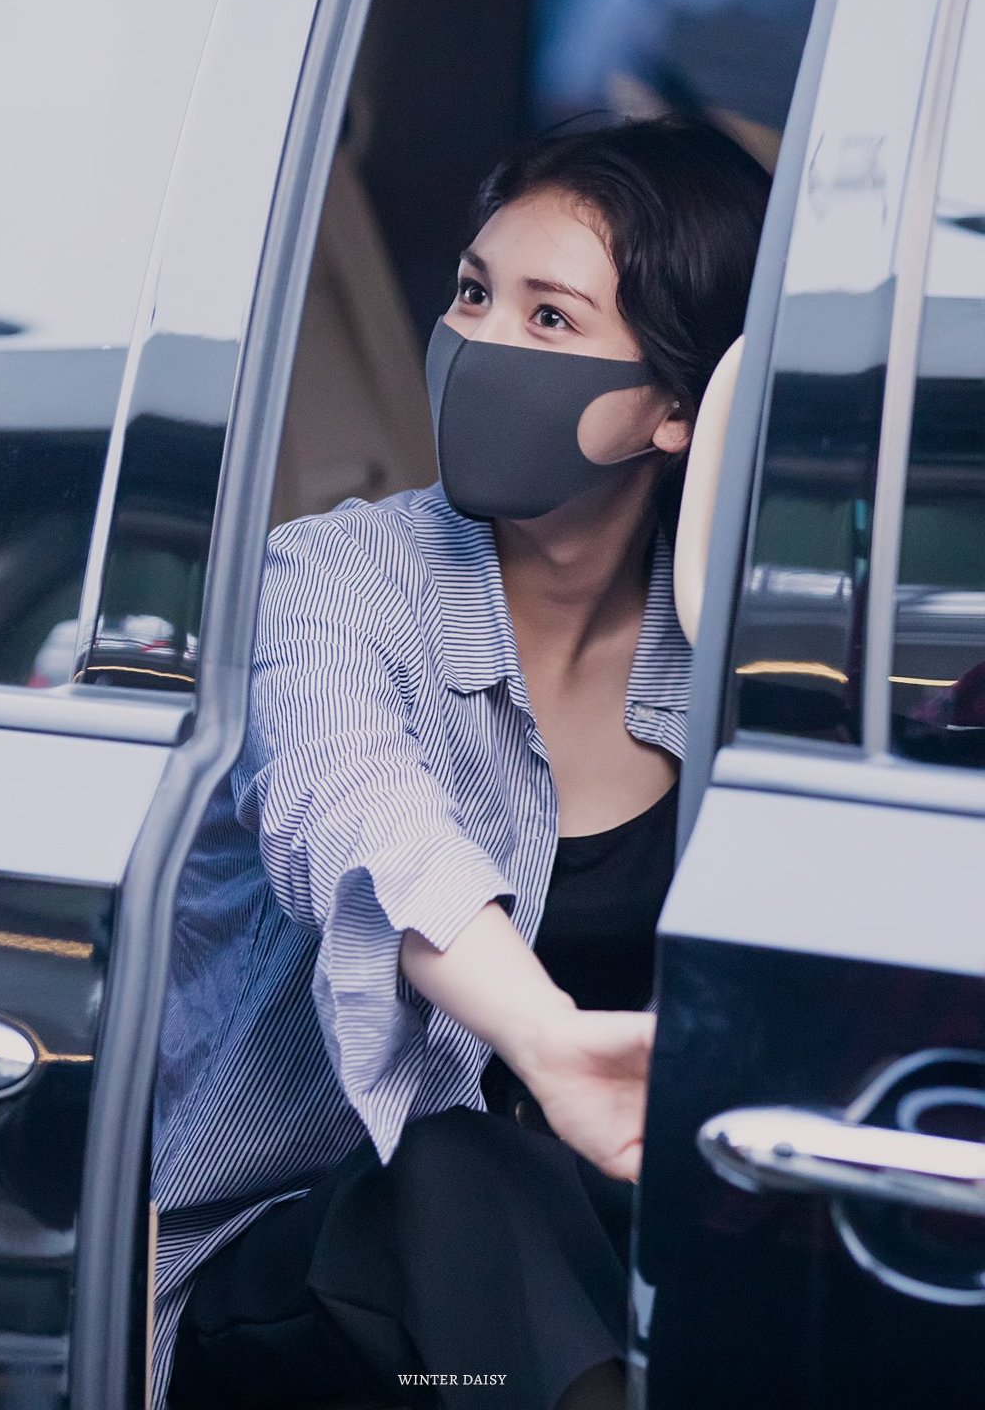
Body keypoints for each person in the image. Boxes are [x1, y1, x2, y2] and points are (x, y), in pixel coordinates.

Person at [151, 116, 770, 1410]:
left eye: (550, 319)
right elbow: (360, 826)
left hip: (568, 1274)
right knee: (454, 1168)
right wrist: (549, 1041)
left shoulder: (735, 649)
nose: (482, 342)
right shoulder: (331, 582)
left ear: (677, 409)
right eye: (474, 293)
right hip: (299, 1275)